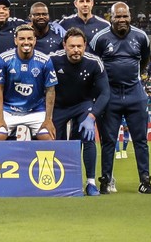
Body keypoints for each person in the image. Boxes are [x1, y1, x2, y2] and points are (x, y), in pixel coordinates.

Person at [92, 2, 151, 194]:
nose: (122, 20)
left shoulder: (141, 36)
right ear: (110, 17)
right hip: (109, 95)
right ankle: (106, 181)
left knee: (141, 140)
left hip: (135, 94)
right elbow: (94, 64)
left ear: (130, 16)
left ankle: (145, 181)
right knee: (108, 141)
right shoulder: (100, 38)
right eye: (117, 17)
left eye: (125, 16)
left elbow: (144, 60)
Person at [50, 27, 110, 196]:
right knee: (56, 142)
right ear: (64, 45)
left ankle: (90, 182)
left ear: (85, 45)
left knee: (88, 136)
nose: (76, 50)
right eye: (71, 46)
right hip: (58, 106)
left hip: (83, 105)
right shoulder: (52, 60)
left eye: (79, 46)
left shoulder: (94, 62)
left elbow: (105, 93)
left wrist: (92, 117)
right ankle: (60, 180)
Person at [0, 24, 57, 140]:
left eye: (30, 38)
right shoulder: (4, 59)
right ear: (15, 40)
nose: (26, 42)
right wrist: (0, 117)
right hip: (9, 110)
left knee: (48, 138)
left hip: (36, 110)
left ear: (35, 40)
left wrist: (48, 119)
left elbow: (50, 90)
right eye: (22, 39)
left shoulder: (45, 60)